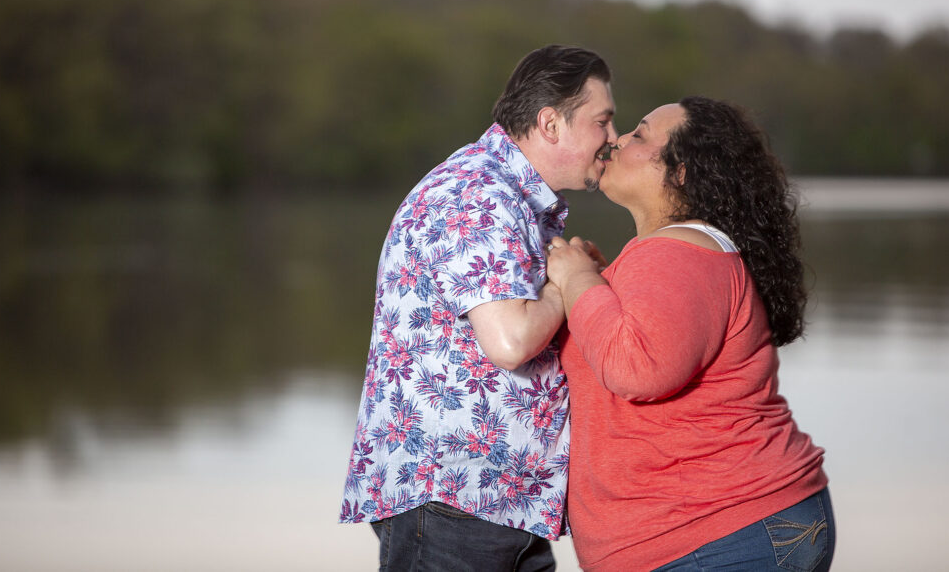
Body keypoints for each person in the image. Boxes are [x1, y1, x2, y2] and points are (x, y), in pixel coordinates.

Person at [340, 45, 618, 570]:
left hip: (492, 500)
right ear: (550, 123)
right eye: (602, 121)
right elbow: (511, 341)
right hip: (455, 499)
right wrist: (567, 279)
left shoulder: (507, 194)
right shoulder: (479, 194)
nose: (612, 137)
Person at [545, 96, 834, 571]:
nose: (616, 141)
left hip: (712, 535)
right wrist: (598, 283)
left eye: (638, 135)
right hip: (738, 527)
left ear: (681, 172)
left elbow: (637, 368)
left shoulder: (676, 251)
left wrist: (577, 280)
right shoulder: (684, 250)